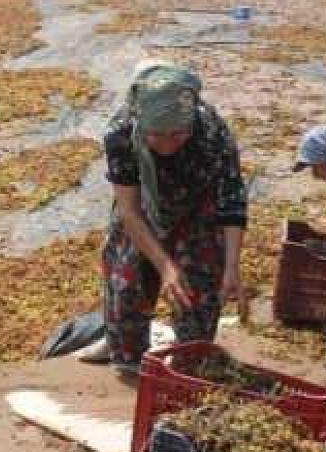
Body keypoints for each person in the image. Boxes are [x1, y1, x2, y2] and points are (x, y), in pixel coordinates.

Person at [86, 61, 249, 376]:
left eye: (178, 133)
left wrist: (231, 268)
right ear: (141, 124)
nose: (169, 143)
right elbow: (130, 211)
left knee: (198, 294)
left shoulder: (211, 131)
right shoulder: (121, 132)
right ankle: (125, 352)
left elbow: (232, 199)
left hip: (198, 208)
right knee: (127, 285)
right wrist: (164, 265)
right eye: (158, 135)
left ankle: (187, 362)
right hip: (143, 206)